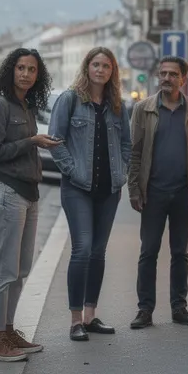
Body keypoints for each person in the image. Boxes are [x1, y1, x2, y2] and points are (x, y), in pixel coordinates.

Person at [0, 47, 61, 361]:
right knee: (4, 269)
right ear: (10, 71)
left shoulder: (26, 105)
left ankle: (9, 329)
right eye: (20, 68)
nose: (26, 74)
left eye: (31, 69)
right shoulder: (0, 106)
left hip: (29, 193)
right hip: (7, 190)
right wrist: (32, 141)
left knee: (21, 269)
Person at [48, 47, 131, 341]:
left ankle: (91, 316)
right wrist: (73, 171)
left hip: (109, 189)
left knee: (98, 252)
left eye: (106, 66)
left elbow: (126, 144)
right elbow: (55, 141)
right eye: (95, 64)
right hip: (78, 188)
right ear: (87, 68)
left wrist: (122, 172)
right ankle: (75, 321)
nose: (100, 70)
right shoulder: (69, 100)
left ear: (112, 71)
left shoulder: (118, 105)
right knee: (82, 249)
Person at [126, 56, 188, 330]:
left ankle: (179, 307)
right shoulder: (143, 109)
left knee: (180, 252)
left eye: (172, 74)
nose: (166, 78)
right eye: (162, 73)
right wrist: (134, 189)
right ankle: (145, 310)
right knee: (148, 251)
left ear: (182, 79)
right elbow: (135, 152)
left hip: (184, 192)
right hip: (152, 192)